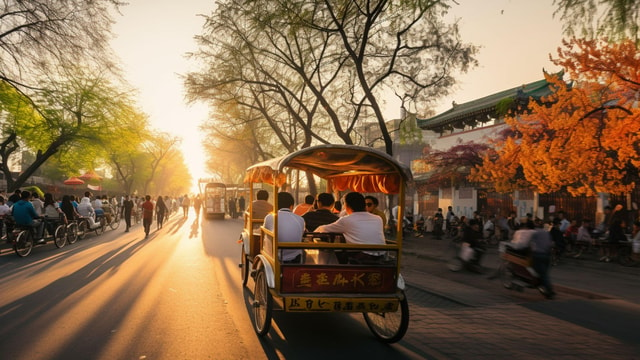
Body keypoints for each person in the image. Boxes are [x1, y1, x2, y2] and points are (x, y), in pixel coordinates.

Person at [315, 192, 385, 263]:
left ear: (347, 205)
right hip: (382, 256)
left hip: (361, 258)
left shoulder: (346, 220)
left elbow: (322, 229)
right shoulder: (378, 218)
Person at [263, 192, 305, 263]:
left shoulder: (269, 217)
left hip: (274, 255)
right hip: (294, 256)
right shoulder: (300, 219)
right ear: (291, 206)